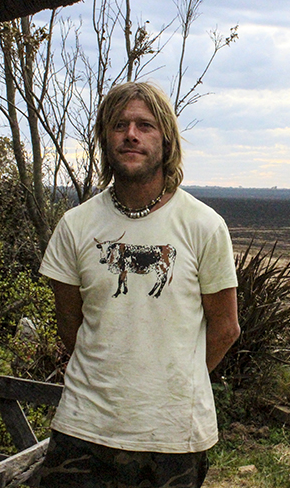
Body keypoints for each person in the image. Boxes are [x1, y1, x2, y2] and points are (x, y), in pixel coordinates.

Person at [36, 82, 240, 488]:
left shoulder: (204, 226)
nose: (131, 134)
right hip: (84, 429)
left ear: (166, 141)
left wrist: (175, 383)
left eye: (145, 125)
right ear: (105, 138)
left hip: (172, 437)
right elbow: (70, 326)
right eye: (119, 125)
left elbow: (226, 328)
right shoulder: (75, 226)